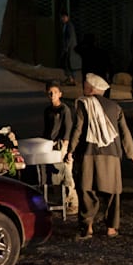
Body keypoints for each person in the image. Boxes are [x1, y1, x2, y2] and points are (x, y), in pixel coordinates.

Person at [68, 73, 133, 239]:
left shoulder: (83, 104)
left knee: (86, 189)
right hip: (111, 154)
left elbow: (78, 128)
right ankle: (111, 228)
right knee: (113, 192)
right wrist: (131, 154)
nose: (83, 88)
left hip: (88, 153)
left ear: (91, 89)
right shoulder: (115, 107)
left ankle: (88, 226)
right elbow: (125, 132)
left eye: (85, 86)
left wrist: (70, 150)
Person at [41, 81, 79, 215]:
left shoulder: (64, 110)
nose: (52, 95)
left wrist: (66, 147)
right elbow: (47, 129)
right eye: (50, 93)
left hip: (61, 144)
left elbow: (68, 128)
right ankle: (62, 201)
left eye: (55, 92)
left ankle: (73, 202)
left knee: (66, 172)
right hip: (49, 144)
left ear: (60, 94)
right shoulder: (48, 110)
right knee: (55, 173)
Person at [59, 12, 82, 86]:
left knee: (68, 63)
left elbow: (70, 37)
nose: (62, 19)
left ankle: (71, 79)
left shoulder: (69, 25)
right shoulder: (67, 25)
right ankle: (71, 79)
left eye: (63, 17)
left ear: (67, 17)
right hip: (69, 47)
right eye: (62, 17)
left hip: (70, 48)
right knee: (68, 64)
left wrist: (66, 47)